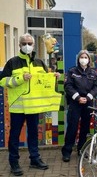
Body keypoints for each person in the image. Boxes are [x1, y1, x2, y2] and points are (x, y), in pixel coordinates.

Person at [0, 33, 60, 176]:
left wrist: (54, 78)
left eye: (29, 43)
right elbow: (2, 81)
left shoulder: (39, 62)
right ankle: (13, 162)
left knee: (33, 133)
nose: (27, 46)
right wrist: (21, 78)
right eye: (24, 43)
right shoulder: (12, 62)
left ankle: (35, 159)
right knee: (14, 135)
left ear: (33, 45)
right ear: (19, 45)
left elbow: (45, 82)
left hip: (34, 106)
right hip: (18, 106)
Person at [61, 50, 97, 162]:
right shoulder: (72, 71)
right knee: (72, 128)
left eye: (86, 57)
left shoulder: (93, 73)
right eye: (81, 57)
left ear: (89, 60)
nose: (84, 59)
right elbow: (68, 86)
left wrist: (88, 97)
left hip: (88, 103)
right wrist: (78, 97)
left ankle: (82, 150)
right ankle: (67, 152)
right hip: (75, 103)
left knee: (85, 128)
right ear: (78, 59)